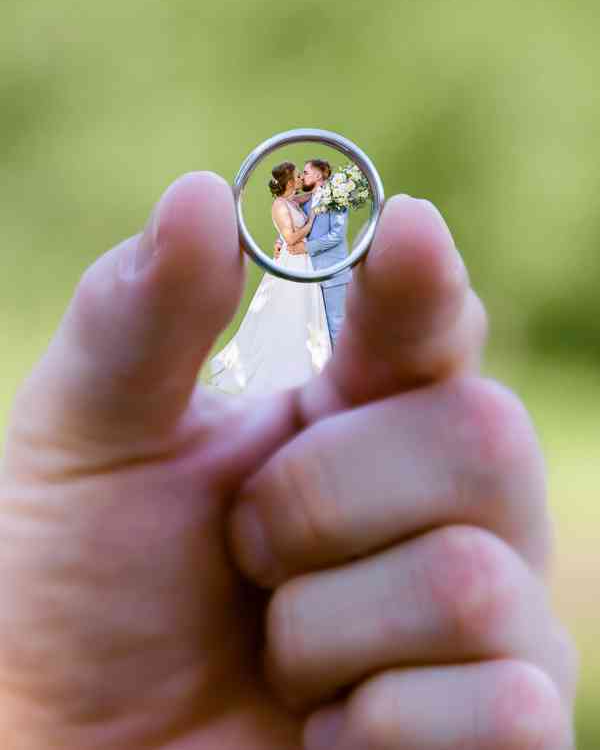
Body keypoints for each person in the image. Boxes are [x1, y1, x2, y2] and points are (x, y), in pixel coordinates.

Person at [0, 171, 577, 750]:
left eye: (316, 178)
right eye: (305, 178)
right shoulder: (285, 213)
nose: (310, 183)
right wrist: (39, 720)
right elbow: (297, 239)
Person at [206, 161, 332, 394]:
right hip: (292, 261)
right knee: (287, 309)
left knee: (304, 309)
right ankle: (284, 365)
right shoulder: (279, 206)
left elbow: (311, 198)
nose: (300, 178)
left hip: (304, 263)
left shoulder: (292, 201)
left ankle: (311, 359)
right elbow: (291, 238)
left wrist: (323, 190)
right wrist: (312, 221)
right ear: (290, 181)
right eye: (297, 176)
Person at [276, 158, 351, 347]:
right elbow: (293, 224)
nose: (302, 176)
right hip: (309, 275)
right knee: (315, 332)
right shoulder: (306, 200)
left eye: (306, 173)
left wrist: (306, 248)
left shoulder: (336, 197)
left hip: (332, 272)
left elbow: (337, 236)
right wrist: (280, 242)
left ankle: (340, 374)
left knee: (336, 327)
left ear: (318, 175)